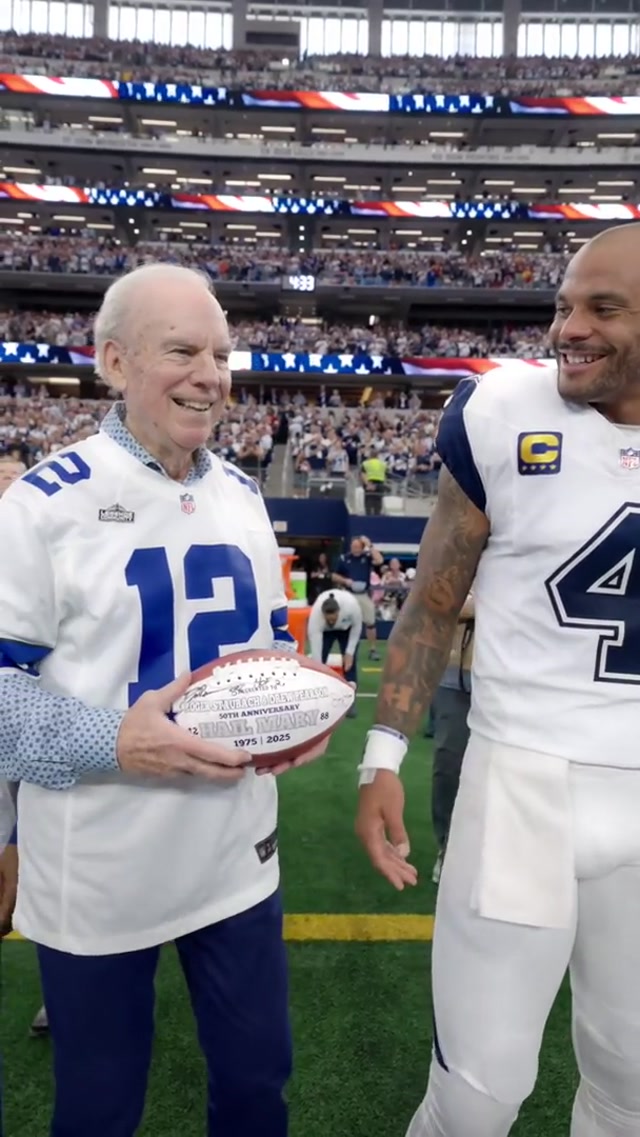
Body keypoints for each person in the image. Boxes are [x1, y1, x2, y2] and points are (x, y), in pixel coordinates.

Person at [0, 262, 327, 1137]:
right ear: (113, 360)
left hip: (235, 850)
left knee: (259, 1087)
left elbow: (268, 653)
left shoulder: (246, 497)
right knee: (101, 1108)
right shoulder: (41, 507)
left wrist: (297, 715)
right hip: (102, 860)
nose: (210, 374)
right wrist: (117, 740)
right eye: (181, 349)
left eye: (221, 353)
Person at [355, 222, 640, 1137]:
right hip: (519, 783)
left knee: (632, 1085)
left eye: (603, 307)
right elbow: (434, 603)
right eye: (563, 305)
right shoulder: (502, 411)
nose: (569, 329)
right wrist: (383, 752)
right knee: (477, 1096)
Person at [430, 590, 473, 885]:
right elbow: (438, 602)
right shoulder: (459, 549)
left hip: (510, 677)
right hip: (453, 678)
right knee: (448, 765)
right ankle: (447, 846)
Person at [307, 590, 362, 718]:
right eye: (328, 618)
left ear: (339, 612)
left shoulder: (351, 606)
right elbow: (316, 647)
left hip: (347, 629)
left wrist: (349, 652)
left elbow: (357, 627)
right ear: (323, 614)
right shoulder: (316, 618)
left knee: (350, 665)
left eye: (334, 618)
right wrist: (319, 668)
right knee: (318, 666)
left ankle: (350, 701)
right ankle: (318, 700)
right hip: (326, 632)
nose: (332, 620)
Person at [332, 536, 383, 660]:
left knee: (370, 622)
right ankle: (346, 649)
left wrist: (369, 545)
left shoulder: (366, 557)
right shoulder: (344, 559)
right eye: (353, 546)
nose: (355, 549)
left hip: (363, 594)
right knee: (345, 622)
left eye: (357, 546)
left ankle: (372, 649)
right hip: (348, 594)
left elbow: (379, 560)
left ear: (362, 547)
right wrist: (345, 581)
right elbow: (333, 575)